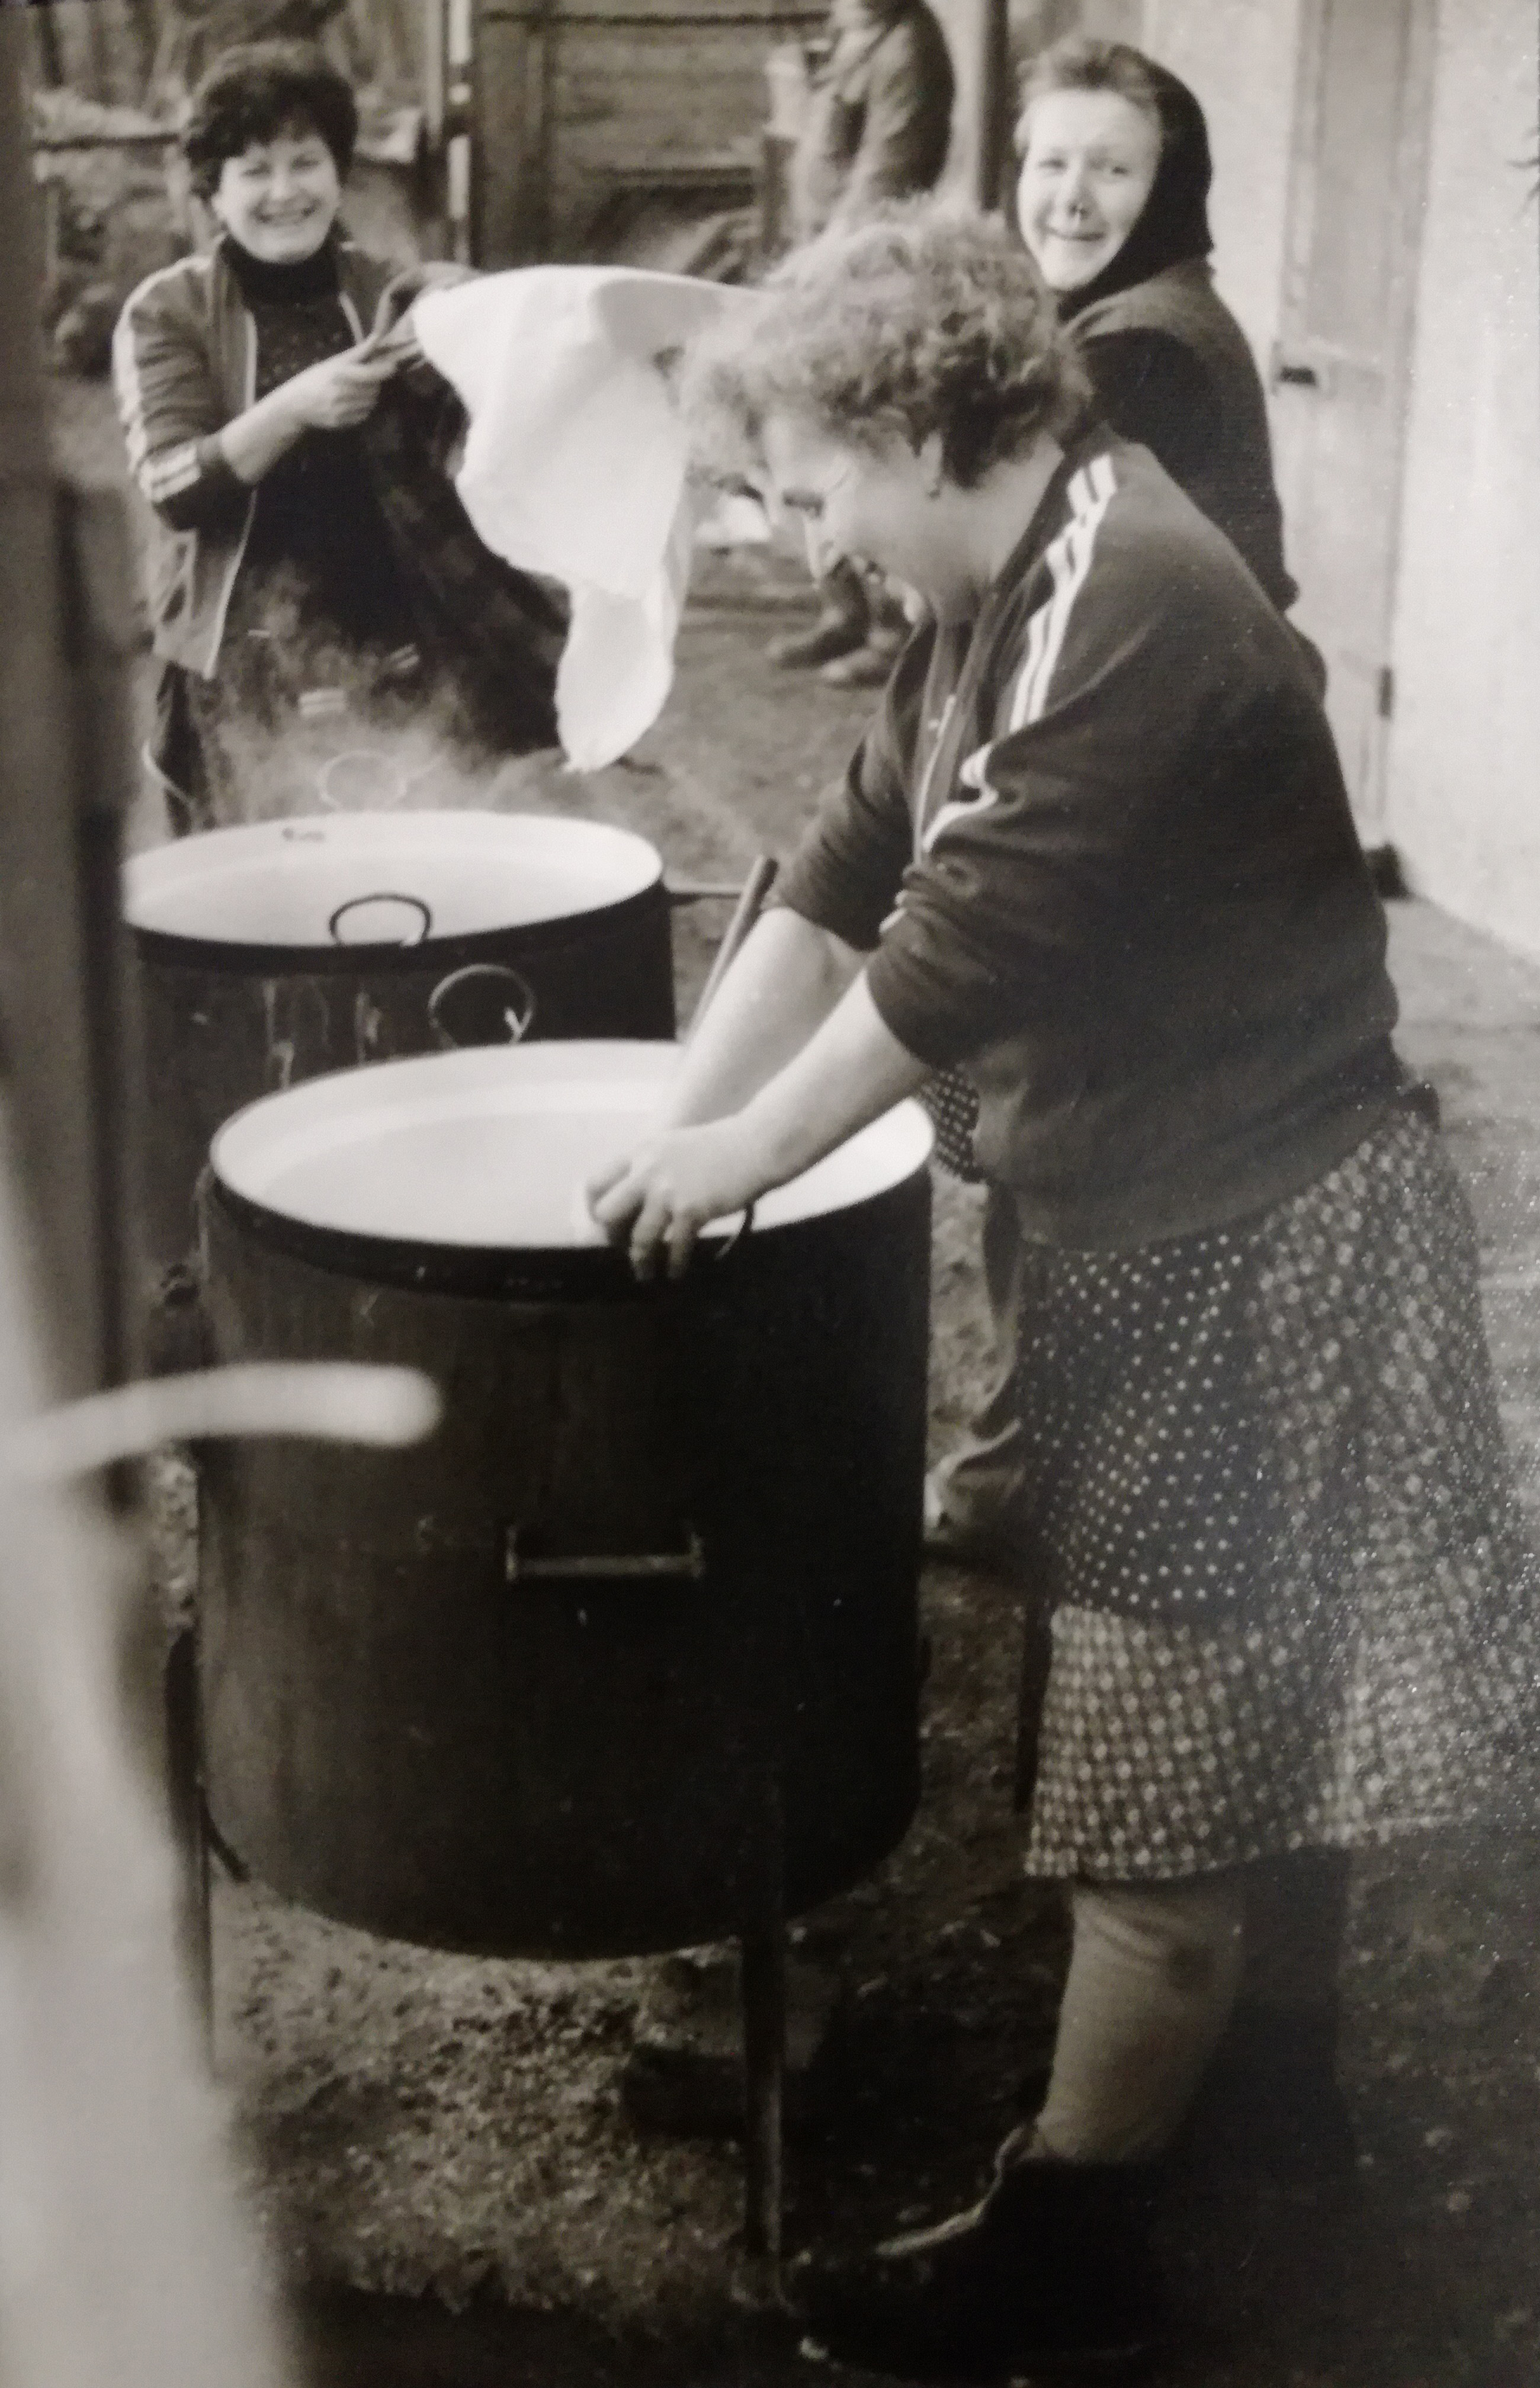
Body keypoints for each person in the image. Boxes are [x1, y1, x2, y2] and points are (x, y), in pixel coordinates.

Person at [585, 207, 1539, 2379]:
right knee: (1236, 1722)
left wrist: (736, 1161)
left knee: (1161, 1801)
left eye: (809, 489)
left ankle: (1074, 2244)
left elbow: (949, 954)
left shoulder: (1126, 603)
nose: (807, 538)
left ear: (916, 429)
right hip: (1172, 1221)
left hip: (1248, 1251)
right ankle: (1274, 2110)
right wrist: (661, 1127)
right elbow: (845, 868)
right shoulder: (997, 583)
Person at [929, 36, 1320, 1576]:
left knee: (1071, 1135)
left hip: (1157, 798)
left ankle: (1037, 1486)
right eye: (1049, 163)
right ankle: (1051, 1471)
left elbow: (1025, 557)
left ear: (1167, 187)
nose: (1071, 196)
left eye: (1111, 167)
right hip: (1162, 775)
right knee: (1083, 1143)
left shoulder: (1141, 347)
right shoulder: (1119, 318)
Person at [114, 40, 564, 833]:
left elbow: (500, 431)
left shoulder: (389, 289)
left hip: (398, 649)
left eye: (306, 162)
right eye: (255, 171)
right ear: (213, 192)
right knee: (261, 880)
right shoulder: (167, 310)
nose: (285, 192)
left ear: (338, 170)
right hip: (243, 669)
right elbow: (174, 486)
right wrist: (293, 406)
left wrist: (479, 322)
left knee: (413, 862)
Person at [768, 0, 954, 687]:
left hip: (864, 276)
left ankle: (889, 630)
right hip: (818, 266)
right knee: (809, 441)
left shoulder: (907, 46)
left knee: (864, 444)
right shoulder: (854, 27)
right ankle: (842, 608)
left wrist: (820, 263)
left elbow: (884, 176)